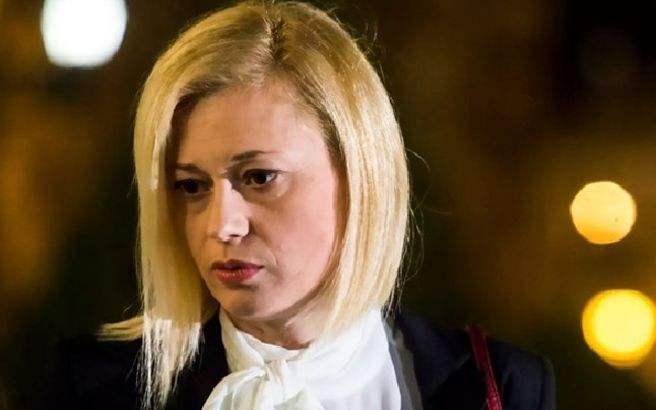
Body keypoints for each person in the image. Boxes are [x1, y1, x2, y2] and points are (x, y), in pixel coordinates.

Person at [45, 1, 555, 409]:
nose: (222, 225)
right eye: (192, 186)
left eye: (259, 178)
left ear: (358, 174)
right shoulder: (97, 389)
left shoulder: (498, 385)